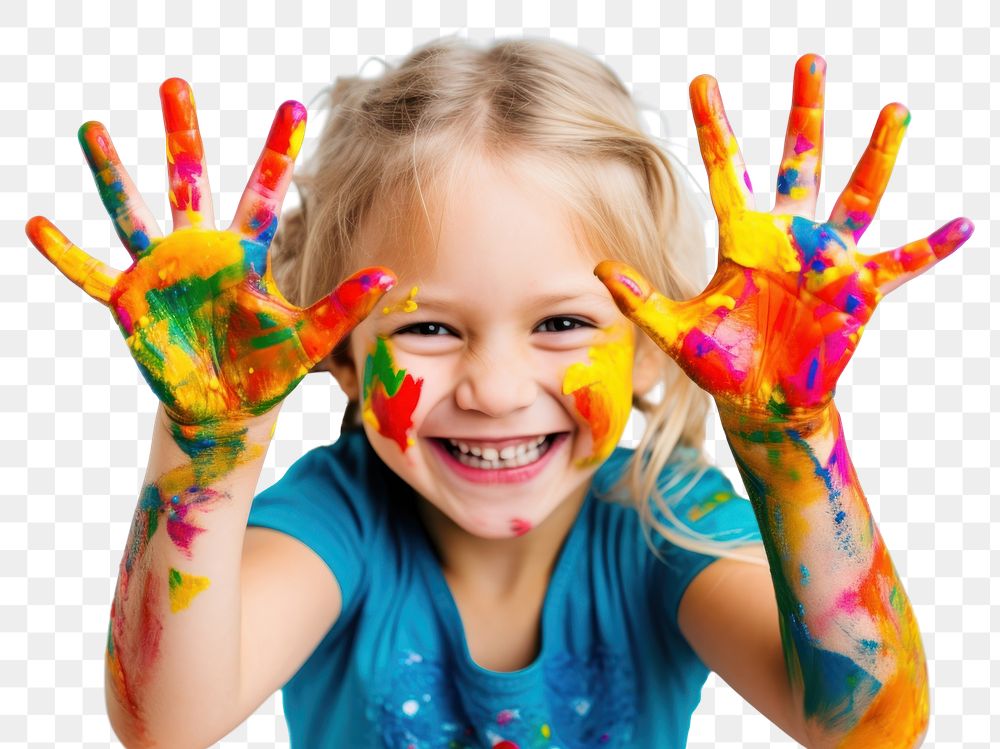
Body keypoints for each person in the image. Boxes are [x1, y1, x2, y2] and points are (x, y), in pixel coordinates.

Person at [25, 37, 971, 748]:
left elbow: (867, 727)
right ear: (342, 355)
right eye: (429, 328)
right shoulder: (338, 520)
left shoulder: (663, 521)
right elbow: (169, 725)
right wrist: (209, 447)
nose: (495, 388)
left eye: (563, 324)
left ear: (652, 348)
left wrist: (792, 445)